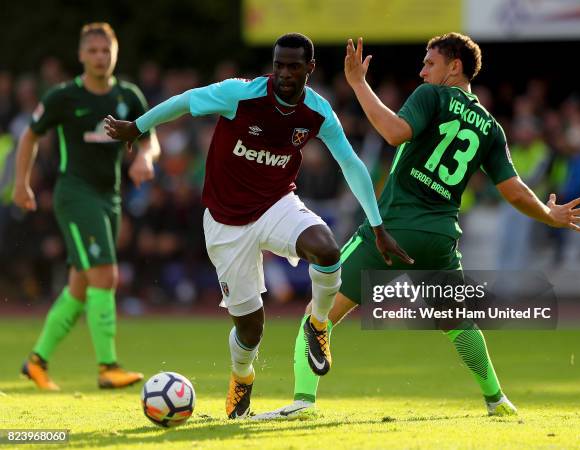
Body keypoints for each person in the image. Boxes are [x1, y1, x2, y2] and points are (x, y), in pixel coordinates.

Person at [256, 32, 580, 419]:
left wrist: (359, 85)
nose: (421, 71)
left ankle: (303, 401)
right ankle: (497, 400)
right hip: (439, 240)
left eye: (429, 63)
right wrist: (551, 215)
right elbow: (514, 191)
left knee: (318, 314)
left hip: (392, 230)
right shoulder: (489, 126)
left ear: (455, 66)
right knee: (458, 324)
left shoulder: (431, 96)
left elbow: (395, 132)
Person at [104, 32, 411, 419]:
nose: (284, 73)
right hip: (225, 222)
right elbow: (185, 101)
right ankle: (242, 379)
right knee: (251, 330)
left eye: (293, 66)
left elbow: (350, 163)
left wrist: (378, 224)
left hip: (276, 204)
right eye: (279, 64)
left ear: (310, 68)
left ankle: (317, 325)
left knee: (327, 248)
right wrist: (139, 126)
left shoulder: (318, 112)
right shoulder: (240, 94)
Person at [13, 22, 160, 390]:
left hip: (109, 197)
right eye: (92, 51)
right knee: (106, 276)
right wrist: (21, 183)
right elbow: (30, 134)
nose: (99, 57)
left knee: (81, 287)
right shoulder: (64, 97)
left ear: (115, 54)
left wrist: (146, 158)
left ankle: (36, 361)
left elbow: (150, 139)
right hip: (75, 195)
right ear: (81, 55)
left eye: (105, 51)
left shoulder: (128, 96)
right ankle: (107, 367)